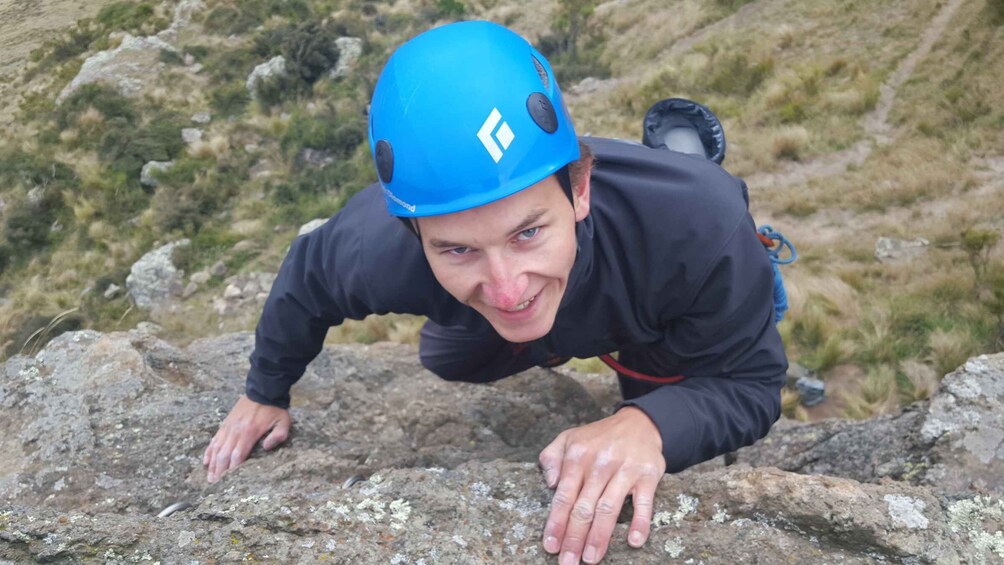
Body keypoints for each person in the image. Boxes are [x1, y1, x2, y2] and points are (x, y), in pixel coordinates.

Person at [204, 20, 786, 565]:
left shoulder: (699, 228)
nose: (507, 288)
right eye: (457, 249)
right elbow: (308, 277)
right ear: (414, 234)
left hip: (655, 300)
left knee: (654, 392)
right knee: (447, 358)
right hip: (543, 316)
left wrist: (648, 426)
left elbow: (751, 385)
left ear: (579, 189)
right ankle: (552, 336)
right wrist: (265, 391)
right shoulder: (384, 246)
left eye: (528, 232)